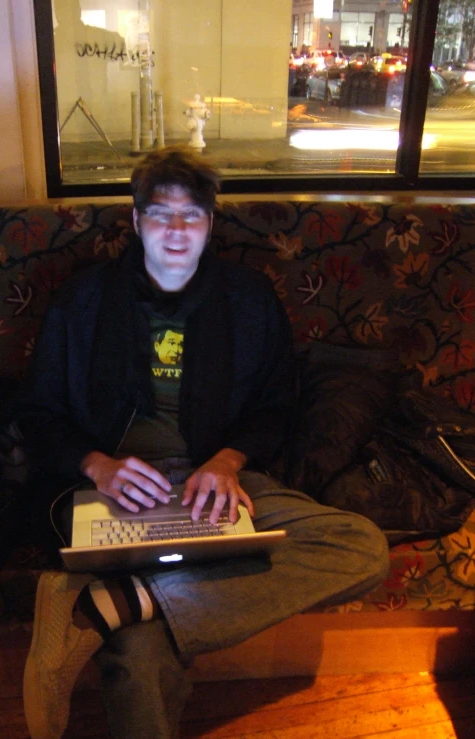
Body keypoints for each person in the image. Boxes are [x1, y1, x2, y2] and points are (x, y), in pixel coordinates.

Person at [20, 145, 389, 739]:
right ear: (136, 221)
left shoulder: (247, 299)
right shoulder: (82, 302)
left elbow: (275, 406)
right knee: (138, 652)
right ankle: (131, 605)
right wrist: (97, 466)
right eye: (160, 214)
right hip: (111, 490)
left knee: (362, 546)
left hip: (215, 481)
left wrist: (227, 459)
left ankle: (107, 604)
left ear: (210, 225)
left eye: (191, 215)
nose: (175, 229)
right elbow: (38, 414)